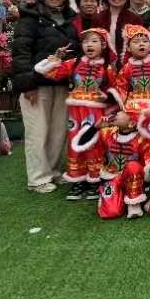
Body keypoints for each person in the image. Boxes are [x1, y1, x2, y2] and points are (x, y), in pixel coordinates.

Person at [11, 0, 80, 194]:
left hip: (62, 85)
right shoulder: (29, 19)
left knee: (58, 132)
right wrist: (27, 85)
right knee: (38, 131)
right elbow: (21, 53)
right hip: (37, 85)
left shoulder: (71, 20)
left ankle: (53, 171)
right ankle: (38, 178)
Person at [34, 28, 117, 201]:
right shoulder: (73, 63)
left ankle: (95, 179)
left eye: (94, 41)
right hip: (75, 112)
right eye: (86, 41)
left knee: (94, 143)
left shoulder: (107, 68)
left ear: (103, 45)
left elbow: (116, 90)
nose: (89, 44)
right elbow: (46, 72)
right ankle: (78, 180)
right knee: (74, 143)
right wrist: (56, 58)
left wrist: (107, 97)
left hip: (96, 111)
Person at [92, 109, 150, 219]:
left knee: (133, 166)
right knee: (111, 212)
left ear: (132, 123)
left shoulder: (142, 140)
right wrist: (95, 128)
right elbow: (82, 144)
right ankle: (110, 195)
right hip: (111, 177)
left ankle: (134, 204)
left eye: (124, 112)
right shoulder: (107, 133)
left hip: (133, 179)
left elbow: (147, 167)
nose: (118, 112)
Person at [112, 24, 150, 140]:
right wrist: (124, 105)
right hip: (133, 106)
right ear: (128, 48)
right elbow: (121, 87)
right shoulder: (127, 68)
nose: (141, 44)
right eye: (136, 42)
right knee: (134, 136)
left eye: (145, 41)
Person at [92, 0, 142, 65]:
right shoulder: (97, 18)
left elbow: (140, 44)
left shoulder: (134, 19)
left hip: (128, 66)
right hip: (101, 65)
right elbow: (91, 42)